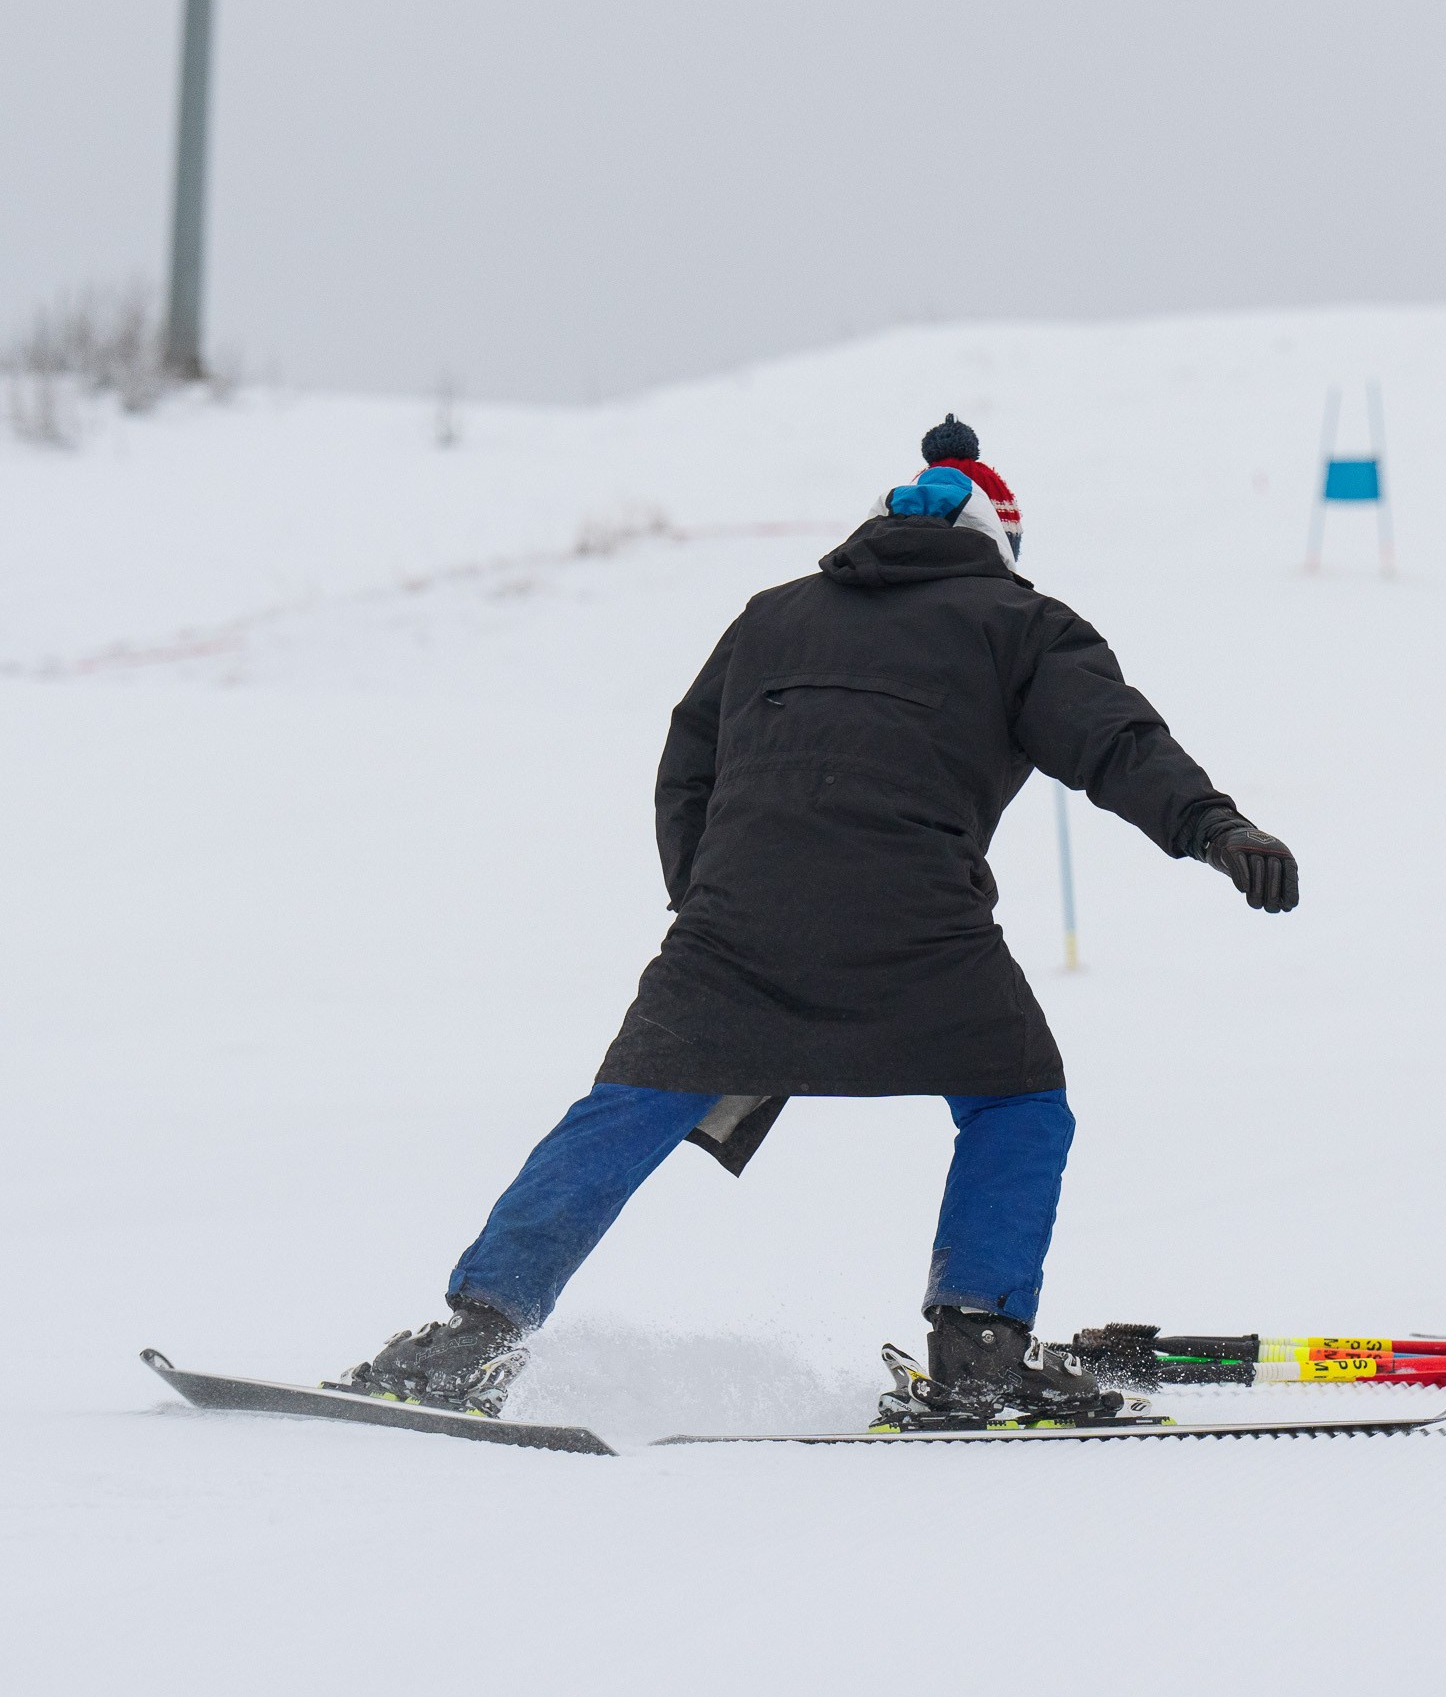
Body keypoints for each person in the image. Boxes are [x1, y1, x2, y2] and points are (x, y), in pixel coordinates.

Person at [337, 415, 1298, 1425]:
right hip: (914, 919)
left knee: (631, 1105)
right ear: (998, 543)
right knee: (1016, 1104)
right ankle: (977, 1357)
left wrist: (707, 901)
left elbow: (689, 771)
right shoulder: (1021, 623)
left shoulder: (770, 617)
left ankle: (470, 1340)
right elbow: (1117, 742)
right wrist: (1213, 827)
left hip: (736, 921)